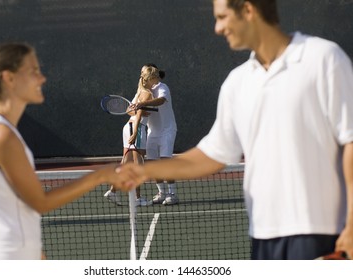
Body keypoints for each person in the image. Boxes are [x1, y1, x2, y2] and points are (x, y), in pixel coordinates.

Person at [117, 0, 353, 260]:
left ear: (248, 10)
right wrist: (138, 171)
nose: (218, 28)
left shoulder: (324, 59)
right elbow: (211, 156)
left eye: (222, 17)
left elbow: (350, 144)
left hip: (322, 231)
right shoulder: (237, 82)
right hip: (263, 234)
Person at [0, 42, 134, 260]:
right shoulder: (0, 136)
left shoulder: (2, 132)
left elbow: (20, 212)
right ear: (9, 78)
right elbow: (39, 203)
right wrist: (101, 175)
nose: (42, 78)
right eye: (33, 71)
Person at [104, 67, 157, 207]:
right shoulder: (147, 94)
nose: (157, 80)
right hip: (136, 129)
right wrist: (135, 133)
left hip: (128, 127)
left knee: (126, 163)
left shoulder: (139, 92)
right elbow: (138, 113)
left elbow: (128, 110)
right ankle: (137, 198)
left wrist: (137, 113)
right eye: (156, 78)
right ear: (150, 79)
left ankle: (113, 191)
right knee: (138, 165)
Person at [132, 64, 178, 205]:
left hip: (167, 130)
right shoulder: (142, 91)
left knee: (165, 162)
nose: (155, 78)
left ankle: (172, 194)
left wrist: (143, 104)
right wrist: (136, 110)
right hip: (152, 132)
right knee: (152, 164)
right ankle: (162, 193)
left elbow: (161, 100)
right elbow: (130, 109)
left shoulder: (162, 87)